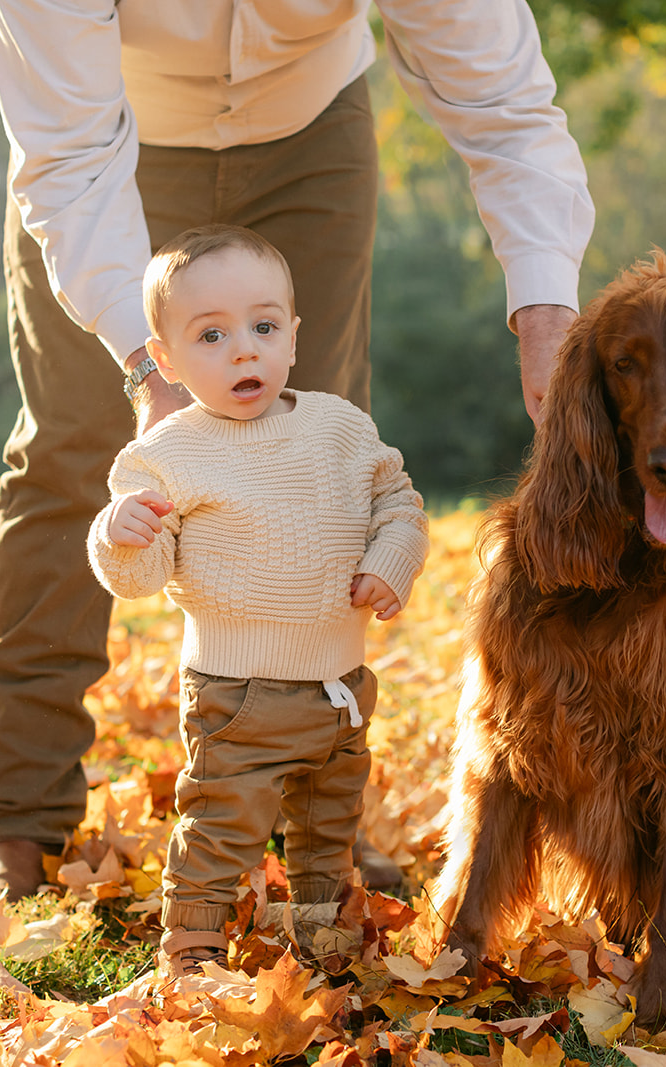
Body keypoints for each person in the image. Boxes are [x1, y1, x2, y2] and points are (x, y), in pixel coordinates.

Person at [0, 0, 593, 919]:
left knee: (321, 456)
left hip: (309, 127)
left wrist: (546, 305)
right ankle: (17, 819)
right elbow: (70, 159)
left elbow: (503, 98)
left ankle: (313, 817)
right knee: (75, 449)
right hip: (113, 146)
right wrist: (150, 371)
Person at [85, 225, 428, 974]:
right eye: (212, 335)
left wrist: (391, 559)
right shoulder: (165, 454)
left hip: (340, 689)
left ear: (294, 337)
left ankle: (326, 940)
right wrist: (123, 535)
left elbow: (397, 501)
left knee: (328, 824)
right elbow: (142, 579)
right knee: (219, 824)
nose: (245, 350)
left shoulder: (341, 427)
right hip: (235, 697)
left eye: (264, 327)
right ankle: (194, 951)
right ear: (166, 359)